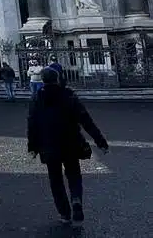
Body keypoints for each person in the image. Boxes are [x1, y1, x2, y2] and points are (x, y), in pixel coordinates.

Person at [28, 68, 109, 225]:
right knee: (73, 174)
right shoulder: (68, 95)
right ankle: (76, 198)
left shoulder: (37, 97)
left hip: (49, 144)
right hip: (70, 141)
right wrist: (101, 142)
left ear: (43, 80)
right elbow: (86, 120)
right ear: (58, 78)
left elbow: (32, 124)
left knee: (55, 179)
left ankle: (64, 213)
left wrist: (33, 147)